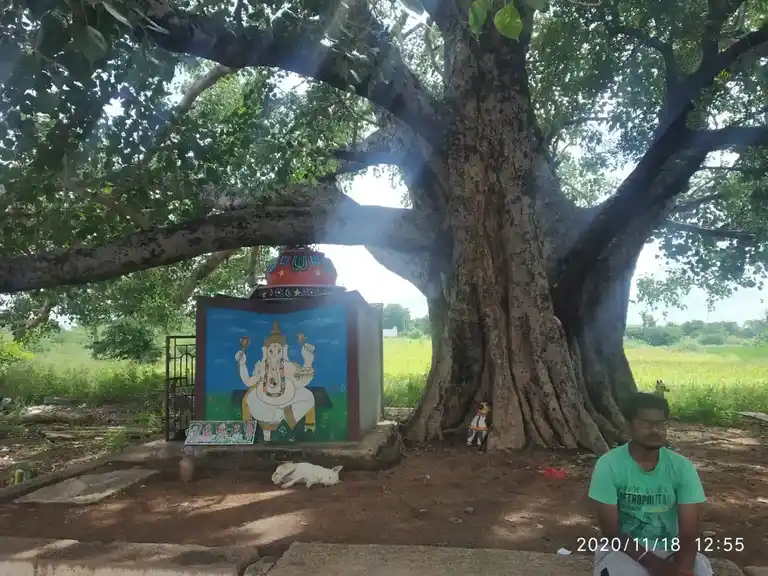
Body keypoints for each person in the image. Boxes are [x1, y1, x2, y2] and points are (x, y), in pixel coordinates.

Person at [588, 392, 712, 576]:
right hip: (623, 552)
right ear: (629, 426)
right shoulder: (609, 465)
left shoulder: (682, 467)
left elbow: (689, 532)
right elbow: (612, 534)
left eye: (661, 424)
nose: (656, 430)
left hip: (672, 550)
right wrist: (659, 567)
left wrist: (682, 569)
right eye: (647, 423)